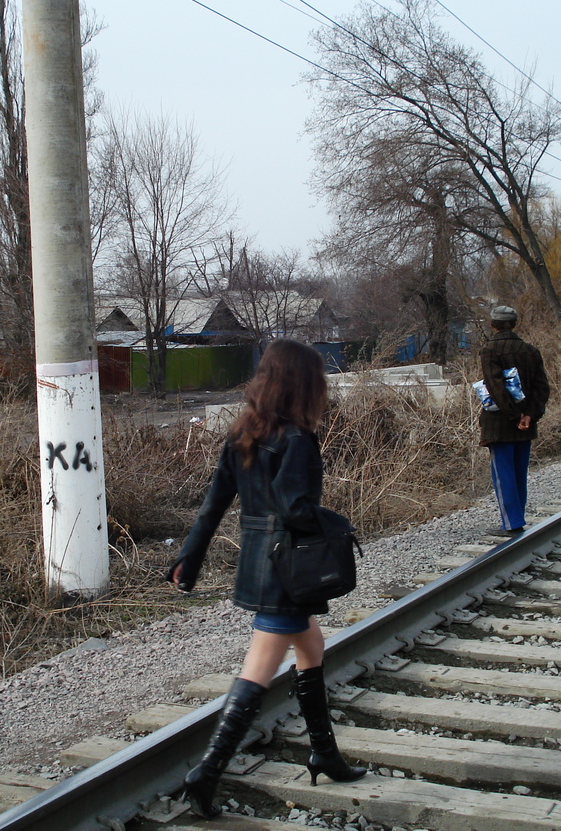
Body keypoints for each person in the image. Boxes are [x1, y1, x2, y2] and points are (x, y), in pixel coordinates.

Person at [167, 339, 366, 818]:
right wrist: (339, 526)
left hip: (260, 562)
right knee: (259, 667)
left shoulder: (244, 434)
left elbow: (214, 505)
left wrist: (187, 560)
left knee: (312, 649)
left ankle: (324, 753)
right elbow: (294, 508)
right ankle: (206, 775)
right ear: (303, 384)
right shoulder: (296, 439)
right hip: (287, 570)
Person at [478, 304, 551, 535]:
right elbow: (542, 388)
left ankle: (511, 523)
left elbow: (495, 388)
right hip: (526, 424)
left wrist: (514, 415)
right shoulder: (531, 351)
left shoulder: (489, 350)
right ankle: (517, 518)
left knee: (504, 473)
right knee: (520, 471)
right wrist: (529, 415)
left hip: (500, 424)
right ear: (515, 324)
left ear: (493, 325)